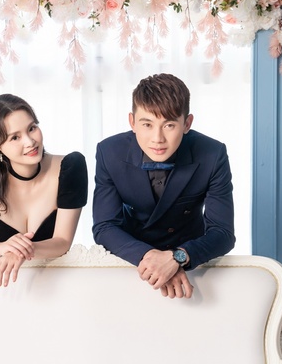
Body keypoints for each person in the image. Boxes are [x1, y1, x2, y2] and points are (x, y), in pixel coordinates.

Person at [92, 73, 235, 299]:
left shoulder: (212, 154)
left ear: (187, 124)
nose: (157, 138)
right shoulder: (109, 152)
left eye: (169, 125)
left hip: (192, 264)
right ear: (132, 122)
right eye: (147, 124)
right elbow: (104, 227)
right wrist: (154, 260)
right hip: (131, 260)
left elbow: (223, 233)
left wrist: (177, 258)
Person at [0, 94, 87, 286]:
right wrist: (4, 248)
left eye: (32, 128)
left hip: (53, 287)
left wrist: (22, 251)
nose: (30, 142)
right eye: (15, 137)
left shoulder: (71, 167)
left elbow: (62, 242)